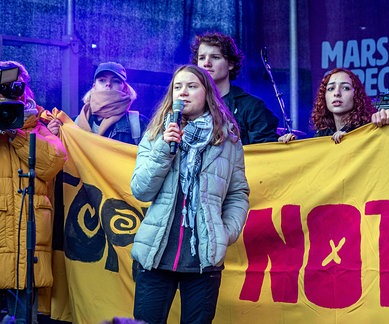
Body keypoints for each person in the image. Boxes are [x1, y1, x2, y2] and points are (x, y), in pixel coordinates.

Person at [130, 65, 250, 323]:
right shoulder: (155, 135)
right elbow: (140, 189)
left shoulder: (228, 139)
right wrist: (165, 147)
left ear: (207, 93)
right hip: (156, 255)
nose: (183, 92)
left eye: (191, 86)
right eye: (177, 87)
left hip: (203, 260)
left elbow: (238, 194)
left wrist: (224, 231)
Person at [0, 61, 67, 323]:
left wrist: (15, 132)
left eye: (16, 88)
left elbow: (53, 161)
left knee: (24, 317)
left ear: (27, 90)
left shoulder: (40, 125)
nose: (10, 94)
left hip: (25, 249)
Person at [191, 31, 279, 145]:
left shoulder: (252, 107)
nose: (206, 63)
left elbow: (264, 152)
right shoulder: (190, 105)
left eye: (215, 57)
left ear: (230, 64)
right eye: (202, 58)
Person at [47, 61, 148, 145]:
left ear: (125, 88)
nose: (108, 84)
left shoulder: (139, 124)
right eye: (102, 80)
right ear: (94, 86)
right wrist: (52, 138)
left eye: (116, 81)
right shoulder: (72, 123)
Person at [278, 68, 376, 144]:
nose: (337, 93)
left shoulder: (370, 128)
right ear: (324, 97)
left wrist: (351, 141)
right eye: (331, 88)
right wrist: (291, 147)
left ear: (357, 95)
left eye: (345, 88)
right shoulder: (322, 134)